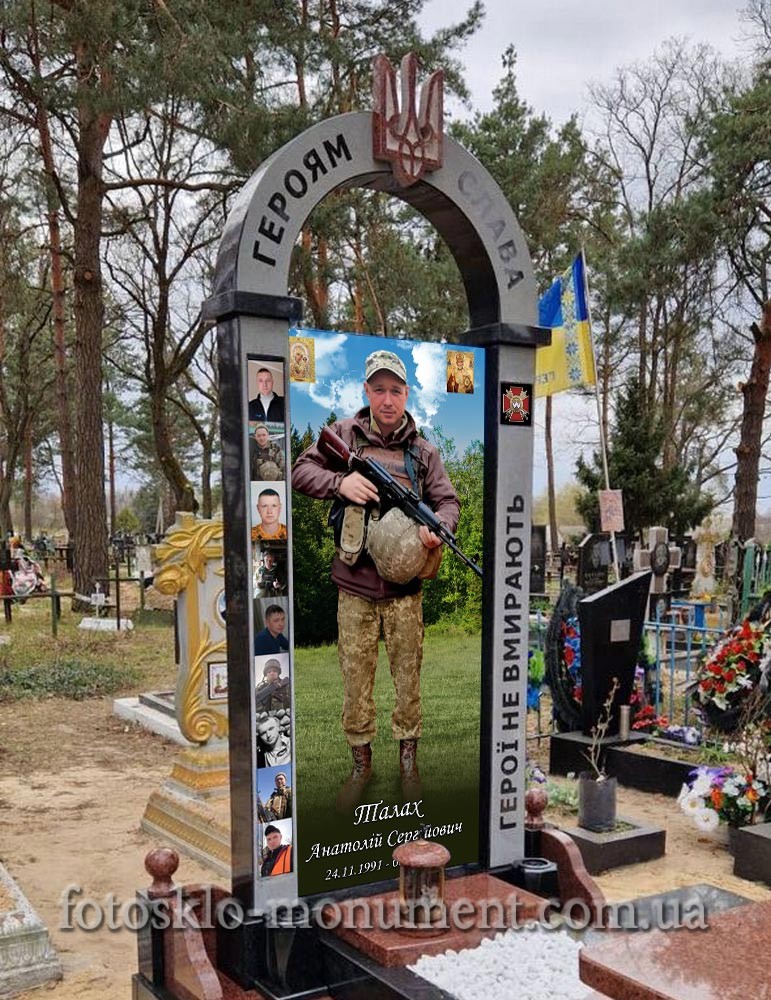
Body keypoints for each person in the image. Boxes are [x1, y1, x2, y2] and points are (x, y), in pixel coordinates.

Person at [292, 349, 459, 808]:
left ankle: (408, 763)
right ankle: (361, 765)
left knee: (408, 680)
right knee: (355, 680)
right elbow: (301, 471)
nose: (387, 399)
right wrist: (340, 484)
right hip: (355, 586)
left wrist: (438, 528)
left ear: (407, 394)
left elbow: (448, 502)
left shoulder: (423, 451)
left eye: (396, 390)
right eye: (379, 389)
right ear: (367, 391)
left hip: (405, 591)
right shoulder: (346, 434)